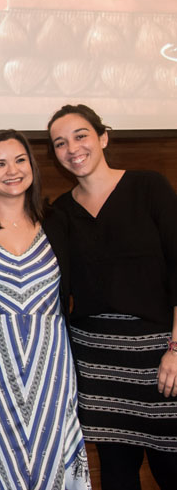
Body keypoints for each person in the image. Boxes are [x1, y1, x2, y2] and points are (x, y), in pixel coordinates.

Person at [0, 129, 90, 488]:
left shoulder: (58, 221)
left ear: (32, 166)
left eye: (20, 160)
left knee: (51, 451)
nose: (12, 170)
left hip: (52, 364)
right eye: (0, 164)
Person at [48, 104, 177, 489]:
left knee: (171, 467)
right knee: (117, 473)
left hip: (161, 357)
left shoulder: (148, 187)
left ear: (103, 137)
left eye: (81, 136)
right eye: (60, 143)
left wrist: (176, 348)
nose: (72, 148)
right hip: (97, 361)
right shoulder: (59, 211)